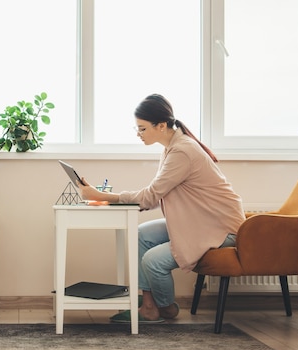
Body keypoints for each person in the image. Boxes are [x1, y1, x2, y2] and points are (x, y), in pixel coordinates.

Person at [77, 94, 245, 323]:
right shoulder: (171, 148)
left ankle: (166, 308)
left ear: (162, 125)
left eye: (143, 128)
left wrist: (103, 196)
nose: (138, 134)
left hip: (220, 228)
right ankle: (148, 305)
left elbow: (150, 196)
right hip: (199, 223)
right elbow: (156, 196)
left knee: (153, 261)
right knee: (141, 235)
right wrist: (108, 198)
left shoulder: (182, 151)